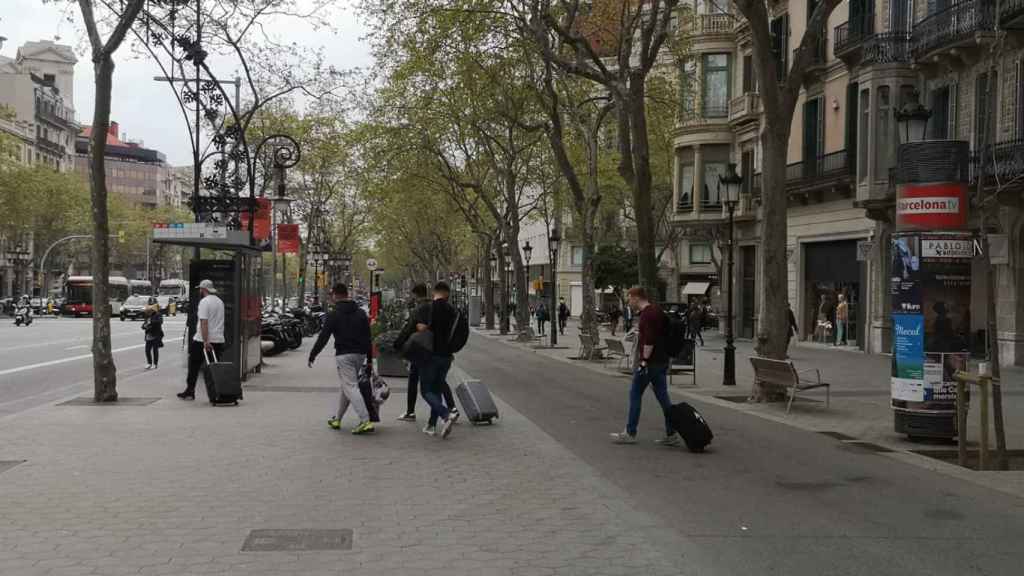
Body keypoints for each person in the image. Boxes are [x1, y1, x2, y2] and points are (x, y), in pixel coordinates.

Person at [610, 286, 679, 446]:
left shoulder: (647, 314)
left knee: (635, 394)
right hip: (661, 361)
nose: (628, 301)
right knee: (663, 398)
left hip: (650, 363)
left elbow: (649, 340)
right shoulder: (656, 310)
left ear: (636, 297)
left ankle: (630, 432)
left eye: (629, 298)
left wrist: (644, 361)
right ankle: (672, 433)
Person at [308, 283, 375, 435]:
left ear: (335, 295)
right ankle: (337, 418)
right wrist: (370, 360)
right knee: (347, 386)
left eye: (332, 295)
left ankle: (365, 421)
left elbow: (323, 337)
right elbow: (368, 338)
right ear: (347, 294)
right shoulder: (360, 313)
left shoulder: (334, 314)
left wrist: (313, 354)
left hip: (344, 355)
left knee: (350, 387)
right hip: (360, 354)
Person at [393, 284, 459, 422]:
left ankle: (413, 412)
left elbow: (409, 328)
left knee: (417, 381)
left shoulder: (419, 309)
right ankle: (451, 408)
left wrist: (398, 344)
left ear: (415, 295)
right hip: (438, 351)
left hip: (421, 349)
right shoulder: (435, 306)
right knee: (439, 381)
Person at [413, 282, 459, 439]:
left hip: (431, 355)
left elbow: (424, 329)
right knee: (437, 389)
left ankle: (446, 414)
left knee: (426, 391)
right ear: (447, 293)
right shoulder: (453, 310)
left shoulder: (429, 308)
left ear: (435, 292)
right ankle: (431, 425)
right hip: (447, 356)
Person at [178, 279, 226, 401]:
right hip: (219, 339)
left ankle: (190, 390)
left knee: (193, 365)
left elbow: (204, 322)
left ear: (204, 289)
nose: (199, 291)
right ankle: (217, 391)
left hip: (202, 340)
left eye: (200, 289)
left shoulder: (204, 302)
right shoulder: (220, 302)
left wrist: (205, 341)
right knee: (213, 368)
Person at [142, 297, 164, 370]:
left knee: (155, 350)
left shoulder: (158, 314)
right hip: (148, 335)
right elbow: (144, 324)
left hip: (156, 334)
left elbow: (160, 322)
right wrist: (144, 326)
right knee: (147, 350)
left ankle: (155, 364)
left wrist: (150, 323)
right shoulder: (147, 316)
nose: (149, 309)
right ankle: (149, 363)